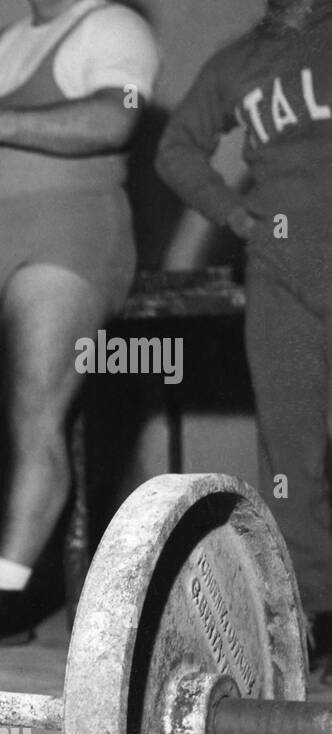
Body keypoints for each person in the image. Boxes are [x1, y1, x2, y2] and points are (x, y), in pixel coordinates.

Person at [0, 0, 159, 647]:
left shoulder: (112, 26)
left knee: (34, 409)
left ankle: (6, 591)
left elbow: (117, 117)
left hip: (67, 246)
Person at [157, 0, 332, 683]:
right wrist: (235, 214)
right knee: (290, 450)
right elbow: (177, 148)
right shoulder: (236, 61)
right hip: (280, 268)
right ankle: (308, 621)